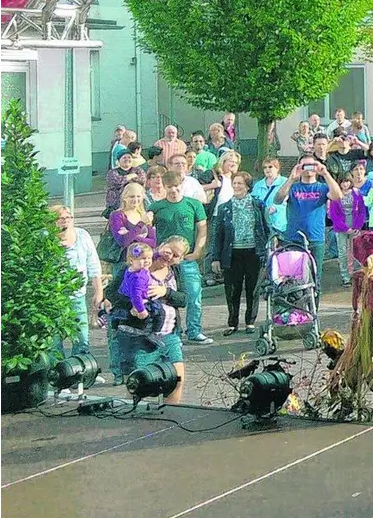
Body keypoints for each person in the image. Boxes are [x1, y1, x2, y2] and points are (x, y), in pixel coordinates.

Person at [104, 242, 187, 403]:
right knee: (137, 384)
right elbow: (111, 293)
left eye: (176, 256)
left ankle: (170, 414)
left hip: (169, 334)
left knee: (177, 379)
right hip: (140, 336)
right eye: (168, 251)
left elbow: (183, 299)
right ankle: (133, 414)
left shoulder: (176, 270)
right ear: (161, 246)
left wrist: (166, 292)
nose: (169, 257)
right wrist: (132, 306)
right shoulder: (135, 267)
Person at [149, 170, 212, 344]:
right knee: (164, 296)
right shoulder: (156, 207)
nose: (173, 190)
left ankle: (194, 330)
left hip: (186, 259)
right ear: (164, 187)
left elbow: (202, 230)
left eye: (176, 186)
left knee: (194, 295)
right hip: (164, 262)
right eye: (169, 187)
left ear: (181, 185)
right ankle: (169, 331)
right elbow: (147, 232)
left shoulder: (194, 205)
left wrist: (197, 251)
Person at [273, 154, 344, 291]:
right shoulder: (293, 187)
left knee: (315, 278)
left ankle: (313, 304)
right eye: (305, 165)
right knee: (293, 278)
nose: (309, 169)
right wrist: (291, 178)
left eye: (312, 165)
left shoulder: (322, 188)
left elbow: (338, 196)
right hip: (293, 238)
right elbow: (278, 199)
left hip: (315, 239)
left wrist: (325, 173)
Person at [213, 171, 268, 336]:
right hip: (232, 253)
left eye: (240, 184)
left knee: (253, 289)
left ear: (248, 187)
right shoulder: (224, 208)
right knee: (232, 290)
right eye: (234, 183)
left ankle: (250, 322)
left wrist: (268, 250)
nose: (236, 186)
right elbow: (218, 235)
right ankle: (232, 323)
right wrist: (215, 258)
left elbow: (266, 228)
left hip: (254, 252)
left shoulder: (258, 205)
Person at [53, 205, 102, 362]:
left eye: (68, 217)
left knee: (82, 338)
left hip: (77, 295)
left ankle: (79, 370)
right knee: (54, 341)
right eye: (61, 218)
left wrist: (98, 291)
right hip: (54, 297)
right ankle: (57, 372)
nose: (65, 221)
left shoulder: (82, 235)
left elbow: (93, 264)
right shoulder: (45, 238)